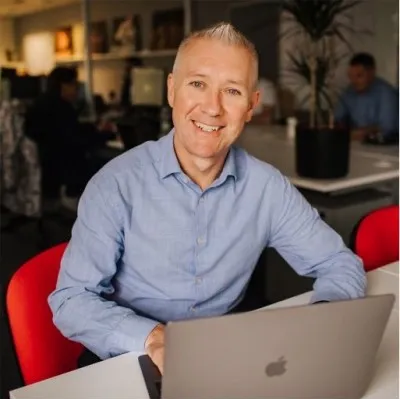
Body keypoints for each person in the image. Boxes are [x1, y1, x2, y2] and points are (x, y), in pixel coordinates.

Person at [48, 22, 366, 374]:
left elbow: (339, 263)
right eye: (198, 84)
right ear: (172, 90)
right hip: (129, 358)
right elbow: (71, 300)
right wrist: (153, 338)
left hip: (223, 358)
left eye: (232, 91)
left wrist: (323, 320)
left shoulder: (267, 187)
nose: (213, 108)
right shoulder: (115, 185)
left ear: (251, 106)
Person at [25, 67, 115, 202]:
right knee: (109, 162)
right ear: (63, 85)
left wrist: (94, 128)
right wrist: (107, 135)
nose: (76, 90)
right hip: (62, 165)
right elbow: (76, 140)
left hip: (48, 163)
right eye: (74, 85)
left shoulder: (42, 102)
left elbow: (70, 130)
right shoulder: (61, 108)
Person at [334, 53, 398, 143]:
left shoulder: (386, 93)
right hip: (354, 143)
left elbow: (387, 128)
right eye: (351, 77)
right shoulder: (349, 92)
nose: (354, 81)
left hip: (382, 145)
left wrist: (359, 133)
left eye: (359, 76)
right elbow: (338, 119)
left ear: (372, 72)